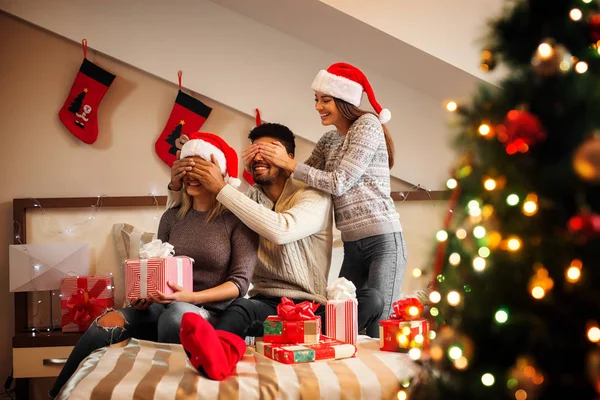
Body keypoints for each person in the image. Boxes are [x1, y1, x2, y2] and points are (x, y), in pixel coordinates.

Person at [167, 122, 384, 380]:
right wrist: (176, 186)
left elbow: (282, 230)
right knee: (240, 309)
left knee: (372, 298)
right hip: (269, 304)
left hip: (313, 307)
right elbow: (197, 215)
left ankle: (313, 336)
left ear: (290, 158)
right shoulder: (246, 199)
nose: (260, 157)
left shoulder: (314, 194)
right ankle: (219, 357)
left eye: (270, 150)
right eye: (253, 151)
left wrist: (222, 188)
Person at [49, 133, 258, 399]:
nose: (192, 174)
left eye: (201, 166)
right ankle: (56, 394)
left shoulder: (238, 220)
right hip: (161, 306)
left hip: (210, 312)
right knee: (107, 321)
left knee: (177, 315)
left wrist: (190, 297)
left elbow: (239, 284)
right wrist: (143, 295)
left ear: (220, 173)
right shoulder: (172, 217)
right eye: (187, 166)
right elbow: (158, 265)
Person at [252, 62, 406, 336]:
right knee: (342, 325)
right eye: (316, 100)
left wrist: (287, 162)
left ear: (345, 100)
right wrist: (267, 164)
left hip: (383, 241)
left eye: (325, 100)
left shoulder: (367, 125)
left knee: (378, 328)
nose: (318, 106)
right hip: (351, 244)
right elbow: (297, 179)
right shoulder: (327, 141)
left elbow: (339, 182)